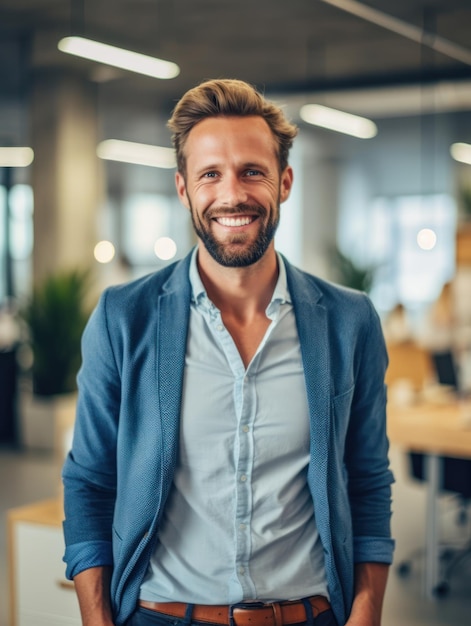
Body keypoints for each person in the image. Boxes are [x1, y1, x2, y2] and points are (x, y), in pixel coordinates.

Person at [62, 78, 394, 626]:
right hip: (161, 615)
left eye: (252, 171)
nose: (232, 194)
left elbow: (367, 478)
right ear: (183, 188)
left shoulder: (348, 321)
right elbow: (90, 482)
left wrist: (366, 612)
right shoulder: (125, 318)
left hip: (310, 615)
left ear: (285, 181)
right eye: (210, 174)